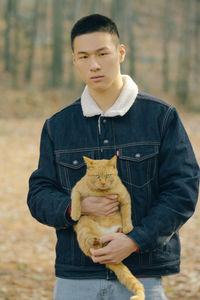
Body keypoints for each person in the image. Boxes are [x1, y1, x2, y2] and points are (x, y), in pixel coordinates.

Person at [27, 14, 199, 300]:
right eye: (83, 56)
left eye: (102, 54)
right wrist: (76, 206)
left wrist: (135, 240)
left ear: (120, 53)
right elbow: (39, 194)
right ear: (73, 60)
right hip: (75, 277)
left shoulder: (161, 117)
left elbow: (182, 191)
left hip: (142, 276)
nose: (93, 65)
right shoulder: (57, 125)